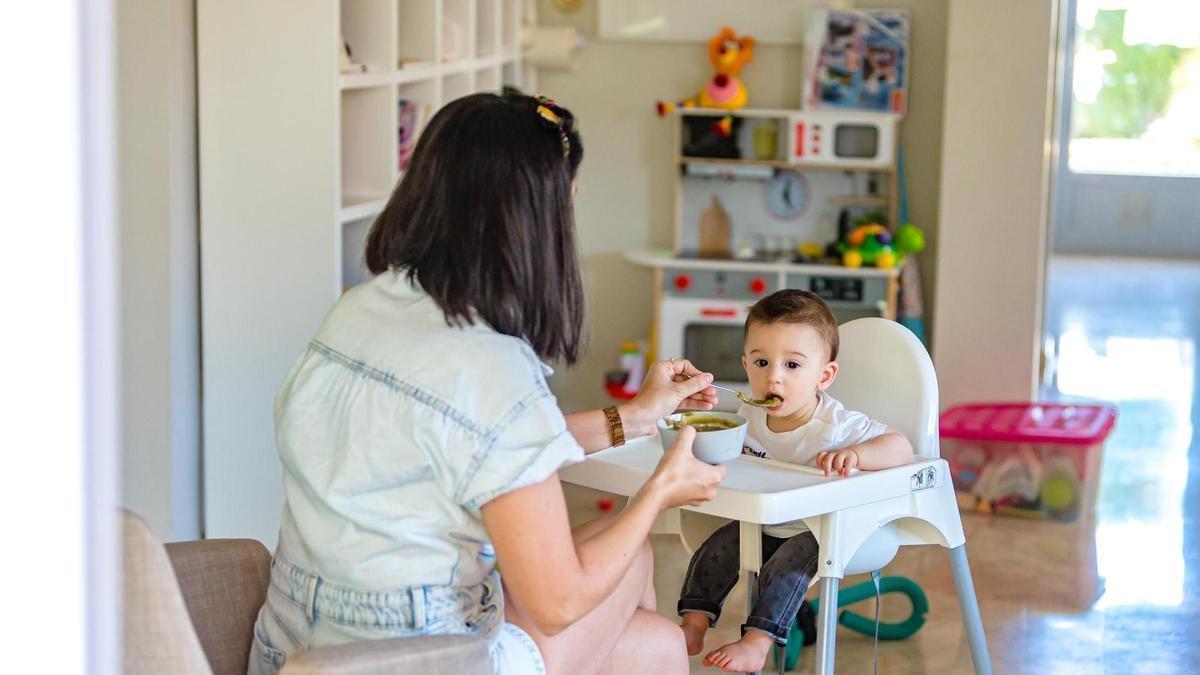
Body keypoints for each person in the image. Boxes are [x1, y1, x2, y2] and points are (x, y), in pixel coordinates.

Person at [247, 92, 726, 675]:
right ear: (534, 221)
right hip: (426, 657)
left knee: (655, 643)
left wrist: (635, 418)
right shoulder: (493, 367)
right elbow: (557, 603)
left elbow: (470, 440)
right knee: (632, 559)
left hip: (295, 645)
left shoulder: (363, 306)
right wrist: (660, 489)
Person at [677, 289, 913, 672]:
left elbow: (901, 446)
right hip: (762, 521)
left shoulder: (836, 426)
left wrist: (857, 455)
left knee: (789, 564)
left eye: (792, 365)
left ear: (825, 375)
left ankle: (758, 640)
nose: (774, 377)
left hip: (818, 530)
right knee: (716, 546)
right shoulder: (747, 415)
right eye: (762, 361)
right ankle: (694, 621)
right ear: (745, 364)